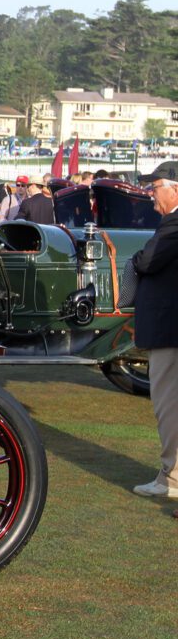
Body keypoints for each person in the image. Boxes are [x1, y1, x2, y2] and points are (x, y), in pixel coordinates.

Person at [130, 161, 178, 501]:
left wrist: (134, 259)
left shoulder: (174, 223)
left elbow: (147, 261)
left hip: (169, 330)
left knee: (168, 404)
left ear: (175, 188)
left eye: (155, 186)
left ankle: (171, 477)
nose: (150, 194)